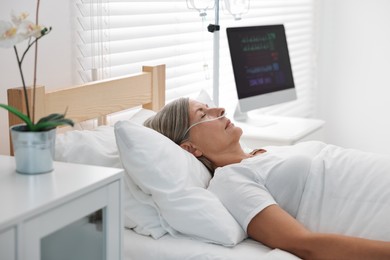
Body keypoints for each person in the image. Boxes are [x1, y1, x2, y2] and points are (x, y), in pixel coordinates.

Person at [144, 97, 390, 260]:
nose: (219, 110)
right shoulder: (231, 181)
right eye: (203, 114)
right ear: (191, 149)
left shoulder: (262, 153)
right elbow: (301, 243)